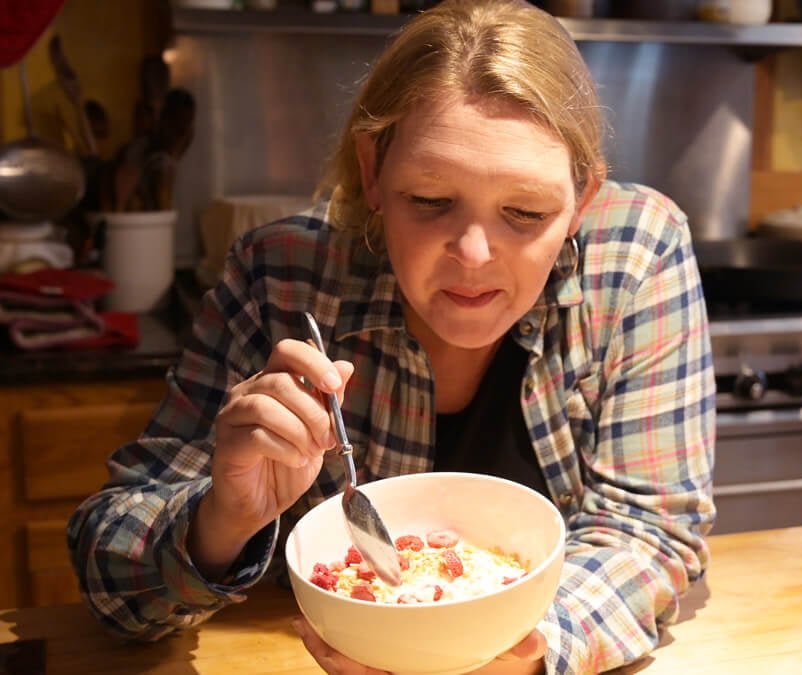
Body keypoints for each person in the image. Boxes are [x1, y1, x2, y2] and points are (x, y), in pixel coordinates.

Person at [66, 1, 716, 673]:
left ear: (582, 198)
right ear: (373, 172)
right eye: (431, 201)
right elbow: (107, 573)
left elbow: (650, 529)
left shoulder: (638, 254)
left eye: (525, 213)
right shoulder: (281, 279)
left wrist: (526, 651)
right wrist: (221, 519)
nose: (472, 253)